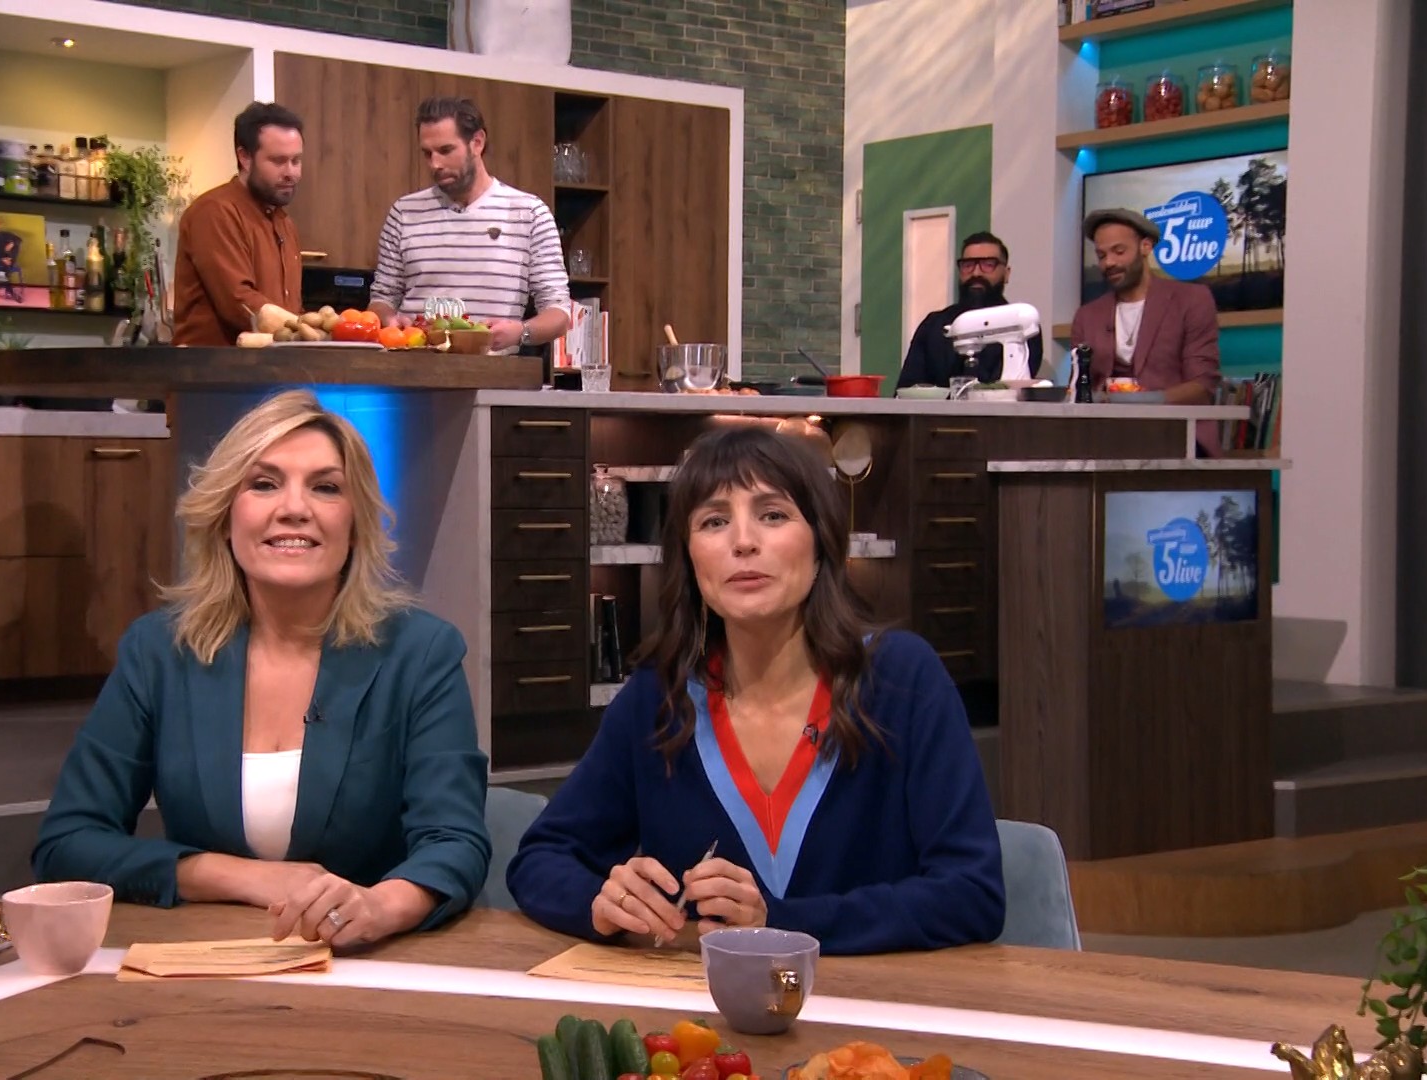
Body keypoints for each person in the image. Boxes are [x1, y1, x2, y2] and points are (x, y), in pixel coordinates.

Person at [505, 425, 1005, 956]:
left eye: (772, 515)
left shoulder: (902, 681)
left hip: (871, 1003)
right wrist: (601, 903)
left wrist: (782, 924)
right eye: (714, 522)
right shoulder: (658, 699)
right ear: (690, 559)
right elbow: (540, 859)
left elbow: (972, 893)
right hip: (707, 1007)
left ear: (821, 544)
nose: (743, 542)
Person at [32, 390, 491, 948]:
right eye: (264, 483)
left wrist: (379, 905)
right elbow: (68, 842)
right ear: (226, 518)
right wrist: (235, 876)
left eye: (326, 487)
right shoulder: (159, 652)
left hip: (368, 959)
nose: (294, 508)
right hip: (208, 959)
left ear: (355, 525)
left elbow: (455, 843)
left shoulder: (420, 652)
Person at [367, 96, 573, 354]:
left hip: (491, 373)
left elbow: (558, 312)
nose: (435, 164)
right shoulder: (404, 212)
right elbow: (382, 299)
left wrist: (521, 332)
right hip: (412, 369)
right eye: (427, 153)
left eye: (445, 150)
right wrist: (388, 319)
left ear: (477, 142)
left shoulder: (529, 213)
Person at [173, 102, 306, 346]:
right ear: (244, 157)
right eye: (278, 161)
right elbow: (239, 302)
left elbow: (289, 310)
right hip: (214, 366)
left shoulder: (285, 223)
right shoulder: (214, 211)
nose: (291, 173)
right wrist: (309, 332)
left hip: (272, 365)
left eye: (296, 161)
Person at [1070, 208, 1220, 406]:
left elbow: (1202, 386)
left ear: (1146, 247)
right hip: (1102, 423)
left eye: (1119, 251)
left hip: (1173, 422)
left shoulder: (1191, 300)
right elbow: (1077, 387)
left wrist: (1140, 401)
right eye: (1101, 255)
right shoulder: (1087, 316)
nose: (1109, 262)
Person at [896, 231, 1043, 388]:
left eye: (988, 265)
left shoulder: (1022, 326)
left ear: (1006, 274)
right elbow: (908, 387)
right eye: (968, 265)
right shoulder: (933, 325)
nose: (976, 273)